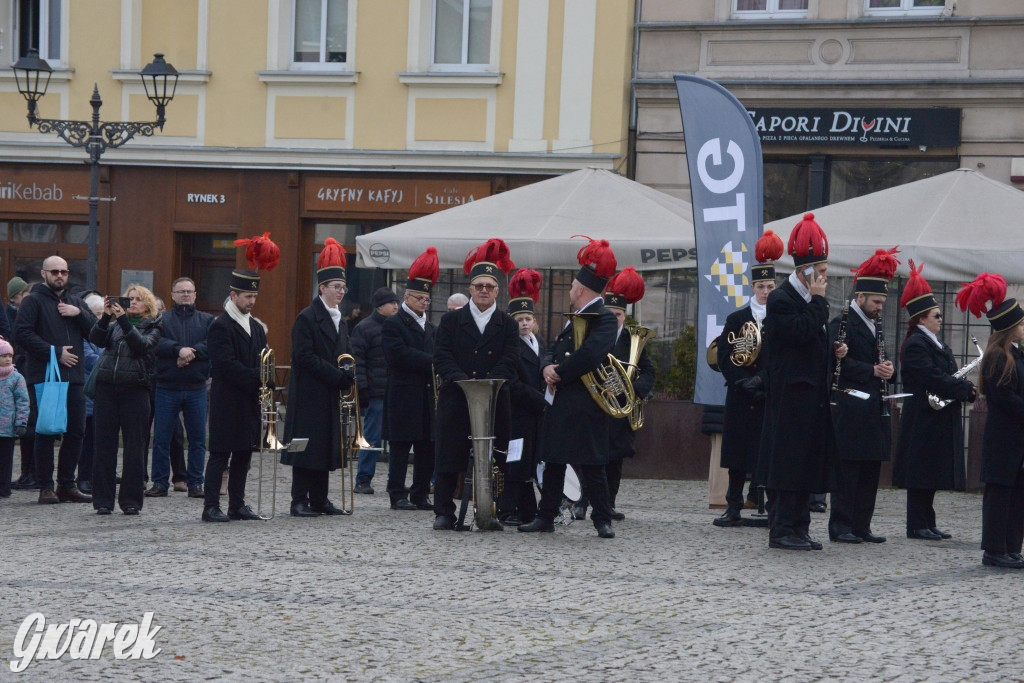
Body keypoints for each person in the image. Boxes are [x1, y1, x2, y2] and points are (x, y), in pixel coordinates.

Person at [519, 236, 619, 539]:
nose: (570, 292)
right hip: (561, 399)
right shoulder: (573, 317)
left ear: (582, 289)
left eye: (573, 287)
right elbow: (552, 347)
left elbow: (591, 354)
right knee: (554, 461)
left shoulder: (603, 318)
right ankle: (545, 516)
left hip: (587, 400)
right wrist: (546, 366)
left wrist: (559, 372)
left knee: (592, 463)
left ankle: (602, 519)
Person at [758, 214, 846, 551]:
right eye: (819, 272)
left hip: (812, 397)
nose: (823, 278)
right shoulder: (782, 299)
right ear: (803, 272)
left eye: (824, 272)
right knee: (789, 464)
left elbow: (811, 340)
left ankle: (800, 527)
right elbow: (798, 333)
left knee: (807, 464)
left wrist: (832, 351)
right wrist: (820, 302)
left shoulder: (809, 302)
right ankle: (782, 529)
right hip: (790, 396)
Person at [433, 238, 519, 531]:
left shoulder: (507, 324)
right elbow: (441, 357)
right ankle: (444, 512)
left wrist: (487, 384)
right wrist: (464, 381)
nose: (484, 291)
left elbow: (510, 360)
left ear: (498, 290)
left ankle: (489, 509)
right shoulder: (450, 321)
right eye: (479, 286)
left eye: (490, 287)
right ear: (470, 289)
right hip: (457, 398)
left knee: (495, 459)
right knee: (448, 457)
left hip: (494, 400)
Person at [892, 260, 976, 541]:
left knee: (930, 472)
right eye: (936, 315)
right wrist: (963, 389)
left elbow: (945, 374)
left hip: (936, 414)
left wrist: (961, 385)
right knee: (920, 473)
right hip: (922, 416)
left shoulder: (933, 342)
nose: (941, 319)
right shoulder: (917, 343)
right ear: (922, 319)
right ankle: (917, 525)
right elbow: (932, 376)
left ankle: (927, 521)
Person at [827, 247, 901, 544]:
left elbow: (878, 362)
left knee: (871, 466)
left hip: (873, 407)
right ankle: (841, 525)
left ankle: (862, 524)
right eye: (876, 301)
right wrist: (872, 370)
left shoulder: (875, 324)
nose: (880, 307)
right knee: (849, 468)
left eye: (882, 302)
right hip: (850, 406)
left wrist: (888, 369)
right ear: (860, 297)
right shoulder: (841, 323)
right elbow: (836, 364)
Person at [203, 236, 277, 522]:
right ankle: (211, 506)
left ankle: (237, 504)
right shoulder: (220, 325)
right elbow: (225, 365)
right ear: (233, 295)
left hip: (249, 402)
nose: (252, 301)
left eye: (254, 297)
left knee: (244, 456)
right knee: (221, 455)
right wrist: (259, 378)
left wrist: (268, 377)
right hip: (227, 400)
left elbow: (264, 356)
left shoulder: (256, 327)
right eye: (248, 297)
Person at [13, 256, 97, 504]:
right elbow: (22, 334)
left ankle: (66, 485)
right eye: (54, 271)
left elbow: (95, 331)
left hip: (75, 378)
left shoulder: (75, 301)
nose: (59, 275)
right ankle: (45, 486)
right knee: (46, 431)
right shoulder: (34, 301)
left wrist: (79, 312)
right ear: (44, 274)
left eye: (63, 271)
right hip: (46, 376)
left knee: (76, 431)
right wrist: (55, 352)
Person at [574, 267, 655, 522]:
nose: (614, 318)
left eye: (618, 314)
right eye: (610, 313)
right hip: (596, 406)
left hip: (621, 408)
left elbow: (649, 371)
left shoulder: (632, 339)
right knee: (590, 459)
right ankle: (582, 503)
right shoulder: (593, 335)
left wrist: (633, 393)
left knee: (615, 461)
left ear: (624, 316)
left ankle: (608, 505)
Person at [282, 238, 355, 517]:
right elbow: (304, 356)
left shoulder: (341, 319)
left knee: (326, 445)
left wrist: (349, 373)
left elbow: (347, 352)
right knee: (306, 447)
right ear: (322, 288)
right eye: (336, 287)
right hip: (310, 393)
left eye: (343, 288)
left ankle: (320, 499)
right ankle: (299, 500)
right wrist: (336, 376)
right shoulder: (307, 317)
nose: (341, 292)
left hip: (330, 392)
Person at [713, 231, 781, 529]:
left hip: (767, 393)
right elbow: (724, 355)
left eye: (770, 286)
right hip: (741, 394)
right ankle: (733, 506)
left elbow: (782, 357)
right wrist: (741, 381)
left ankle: (770, 507)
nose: (766, 290)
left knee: (767, 454)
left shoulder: (781, 317)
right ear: (752, 287)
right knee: (738, 456)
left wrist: (763, 380)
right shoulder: (737, 318)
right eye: (761, 286)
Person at [956, 274, 1024, 568]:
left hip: (1017, 434)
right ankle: (995, 549)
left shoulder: (1016, 353)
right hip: (1004, 434)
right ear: (1009, 328)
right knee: (999, 493)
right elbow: (1003, 396)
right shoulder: (998, 356)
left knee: (1017, 493)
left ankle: (1011, 546)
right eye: (1020, 323)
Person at [89, 286, 162, 515]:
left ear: (147, 305)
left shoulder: (154, 326)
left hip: (136, 391)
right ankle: (102, 500)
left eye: (138, 299)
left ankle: (130, 500)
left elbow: (141, 346)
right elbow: (96, 339)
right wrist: (107, 317)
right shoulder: (114, 325)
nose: (132, 302)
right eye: (129, 298)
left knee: (134, 447)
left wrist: (122, 321)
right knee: (103, 445)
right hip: (107, 389)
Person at [382, 248, 439, 511]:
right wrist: (432, 362)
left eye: (427, 298)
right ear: (406, 297)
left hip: (427, 395)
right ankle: (397, 493)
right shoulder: (395, 323)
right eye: (419, 298)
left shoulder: (431, 326)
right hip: (404, 395)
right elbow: (399, 355)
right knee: (401, 448)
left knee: (427, 447)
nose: (424, 302)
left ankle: (419, 493)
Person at [148, 277, 214, 499]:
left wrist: (190, 353)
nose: (186, 294)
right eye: (181, 291)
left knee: (197, 439)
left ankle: (196, 483)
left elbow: (212, 345)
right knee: (161, 438)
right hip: (167, 387)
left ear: (195, 295)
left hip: (196, 388)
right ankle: (159, 482)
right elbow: (155, 343)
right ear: (172, 295)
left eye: (189, 291)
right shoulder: (160, 319)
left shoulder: (207, 320)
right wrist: (178, 350)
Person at [497, 268, 547, 525]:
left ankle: (528, 510)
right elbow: (512, 383)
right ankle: (506, 510)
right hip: (518, 413)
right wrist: (540, 400)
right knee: (515, 461)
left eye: (528, 318)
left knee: (530, 463)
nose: (525, 323)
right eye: (519, 319)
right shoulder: (511, 345)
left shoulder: (541, 344)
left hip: (537, 416)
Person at [351, 286, 400, 494]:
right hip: (376, 391)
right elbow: (358, 361)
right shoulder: (364, 327)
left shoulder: (398, 326)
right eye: (392, 303)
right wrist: (362, 389)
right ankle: (363, 478)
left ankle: (395, 481)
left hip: (396, 390)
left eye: (397, 302)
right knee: (371, 436)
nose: (396, 306)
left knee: (399, 438)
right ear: (381, 307)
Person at [7, 278, 36, 490]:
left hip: (29, 371)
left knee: (30, 423)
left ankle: (31, 473)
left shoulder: (30, 312)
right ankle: (29, 472)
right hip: (24, 368)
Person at [75, 293, 104, 494]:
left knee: (100, 439)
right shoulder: (83, 334)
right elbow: (90, 358)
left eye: (102, 313)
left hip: (105, 393)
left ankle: (96, 476)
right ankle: (83, 477)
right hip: (88, 393)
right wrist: (111, 361)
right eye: (96, 314)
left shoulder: (109, 330)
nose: (100, 317)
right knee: (86, 440)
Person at [0, 338, 30, 498]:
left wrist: (21, 422)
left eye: (9, 356)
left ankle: (4, 488)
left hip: (7, 428)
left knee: (5, 460)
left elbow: (23, 401)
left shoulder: (16, 378)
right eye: (3, 356)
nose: (7, 359)